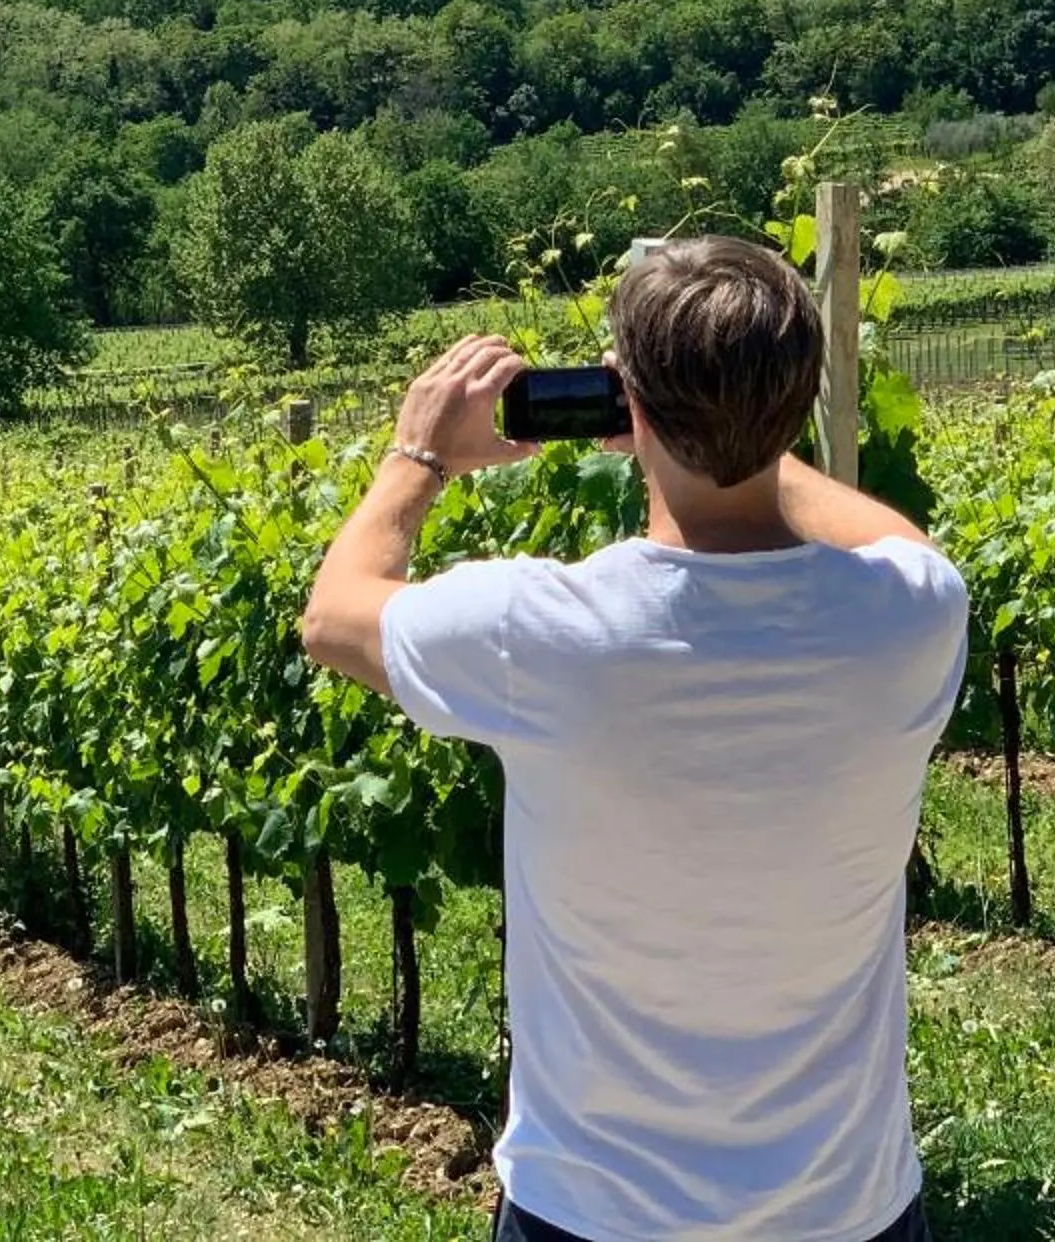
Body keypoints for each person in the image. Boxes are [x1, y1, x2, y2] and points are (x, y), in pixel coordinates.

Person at [301, 235, 968, 1242]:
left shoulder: (543, 634)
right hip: (850, 1210)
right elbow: (899, 544)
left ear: (629, 407)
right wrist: (732, 431)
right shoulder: (911, 621)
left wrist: (420, 455)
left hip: (592, 1215)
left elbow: (335, 615)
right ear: (801, 399)